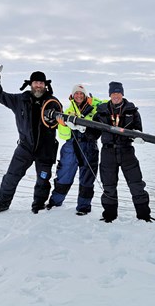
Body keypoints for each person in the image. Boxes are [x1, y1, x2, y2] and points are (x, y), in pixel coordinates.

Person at [0, 65, 61, 215]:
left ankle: (38, 206)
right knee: (11, 177)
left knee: (43, 181)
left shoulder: (53, 102)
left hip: (45, 150)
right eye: (36, 82)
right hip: (25, 148)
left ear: (45, 85)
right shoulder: (20, 99)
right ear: (31, 84)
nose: (39, 85)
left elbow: (60, 121)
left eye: (41, 83)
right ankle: (2, 204)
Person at [93, 81, 152, 223]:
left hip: (127, 152)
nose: (116, 96)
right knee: (108, 186)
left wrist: (138, 136)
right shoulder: (101, 111)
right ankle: (109, 216)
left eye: (118, 93)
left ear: (122, 94)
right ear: (109, 95)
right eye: (113, 93)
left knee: (136, 184)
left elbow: (139, 130)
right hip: (107, 153)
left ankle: (144, 216)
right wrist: (80, 128)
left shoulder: (132, 111)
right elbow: (92, 134)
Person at [46, 84, 103, 215]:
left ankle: (83, 207)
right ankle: (55, 202)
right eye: (76, 93)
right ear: (72, 96)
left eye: (81, 93)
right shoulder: (67, 112)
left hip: (89, 147)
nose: (78, 96)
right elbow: (63, 135)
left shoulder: (94, 109)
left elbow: (97, 129)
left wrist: (85, 127)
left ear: (85, 95)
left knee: (87, 178)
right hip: (70, 147)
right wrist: (63, 125)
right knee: (63, 176)